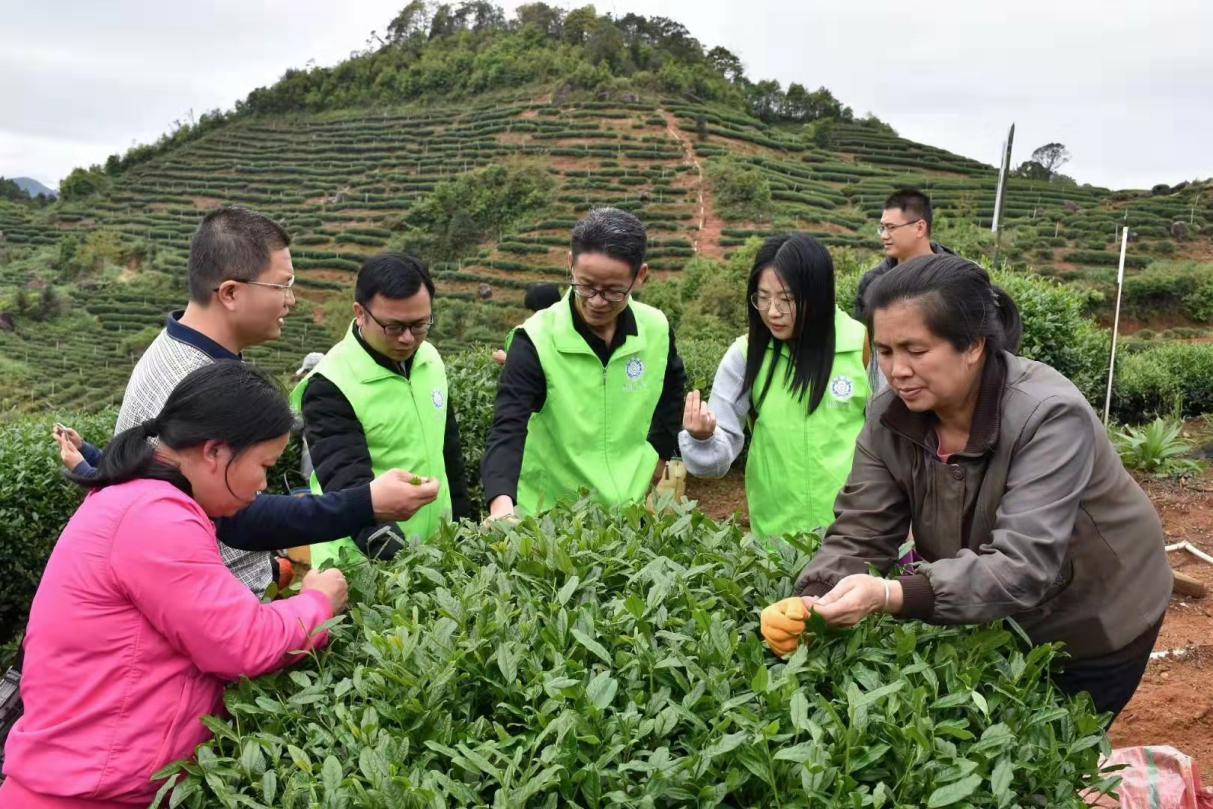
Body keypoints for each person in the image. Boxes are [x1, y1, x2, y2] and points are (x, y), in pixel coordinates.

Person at [760, 254, 1172, 719]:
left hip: (1095, 615)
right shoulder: (888, 417)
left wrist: (894, 595)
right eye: (886, 351)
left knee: (1053, 756)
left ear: (973, 346)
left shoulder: (1049, 415)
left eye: (916, 351)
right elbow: (863, 527)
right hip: (995, 611)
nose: (897, 371)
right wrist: (817, 594)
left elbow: (1023, 563)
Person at [0, 363, 349, 808]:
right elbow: (243, 643)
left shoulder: (140, 499)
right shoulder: (154, 516)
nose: (263, 484)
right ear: (215, 453)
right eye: (264, 466)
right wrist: (318, 601)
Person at [50, 207, 435, 596]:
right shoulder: (196, 379)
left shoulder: (179, 348)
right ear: (231, 292)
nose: (292, 300)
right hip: (219, 606)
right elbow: (241, 519)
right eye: (282, 286)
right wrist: (366, 504)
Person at [482, 207, 687, 519]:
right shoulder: (535, 338)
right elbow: (508, 427)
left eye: (614, 290)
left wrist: (658, 454)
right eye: (587, 285)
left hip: (628, 511)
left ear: (640, 276)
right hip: (552, 514)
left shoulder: (655, 327)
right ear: (570, 265)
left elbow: (671, 391)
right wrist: (501, 505)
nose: (597, 301)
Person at [679, 234, 871, 540]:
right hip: (776, 543)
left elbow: (896, 442)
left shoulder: (863, 346)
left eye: (787, 299)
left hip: (856, 536)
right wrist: (702, 439)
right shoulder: (745, 355)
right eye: (763, 297)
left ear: (818, 295)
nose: (772, 311)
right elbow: (718, 456)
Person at [293, 253, 471, 566]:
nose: (407, 339)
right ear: (360, 313)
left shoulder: (429, 359)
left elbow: (449, 455)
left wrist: (463, 531)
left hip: (434, 552)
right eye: (393, 326)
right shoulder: (331, 384)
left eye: (419, 325)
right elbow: (348, 487)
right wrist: (405, 565)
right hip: (364, 564)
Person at [854, 189, 955, 392]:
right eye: (882, 228)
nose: (884, 236)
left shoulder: (956, 279)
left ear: (919, 227)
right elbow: (862, 342)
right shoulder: (872, 283)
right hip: (888, 389)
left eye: (891, 228)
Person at [492, 282, 563, 365]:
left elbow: (531, 366)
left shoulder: (525, 334)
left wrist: (506, 359)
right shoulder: (569, 328)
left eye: (531, 311)